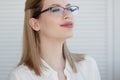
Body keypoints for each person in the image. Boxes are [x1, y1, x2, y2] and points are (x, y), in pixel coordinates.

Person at [9, 0, 101, 80]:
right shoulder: (20, 77)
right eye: (56, 10)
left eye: (69, 9)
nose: (68, 15)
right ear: (35, 24)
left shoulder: (88, 65)